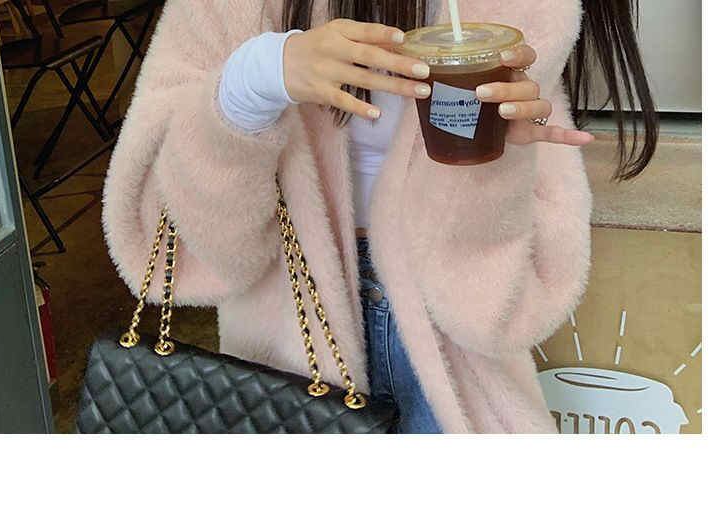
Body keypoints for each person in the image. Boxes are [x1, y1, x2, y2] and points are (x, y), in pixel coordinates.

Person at [103, 0, 657, 433]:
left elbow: (501, 314)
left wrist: (491, 166)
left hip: (454, 360)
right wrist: (250, 86)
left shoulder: (519, 12)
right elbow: (188, 250)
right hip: (286, 357)